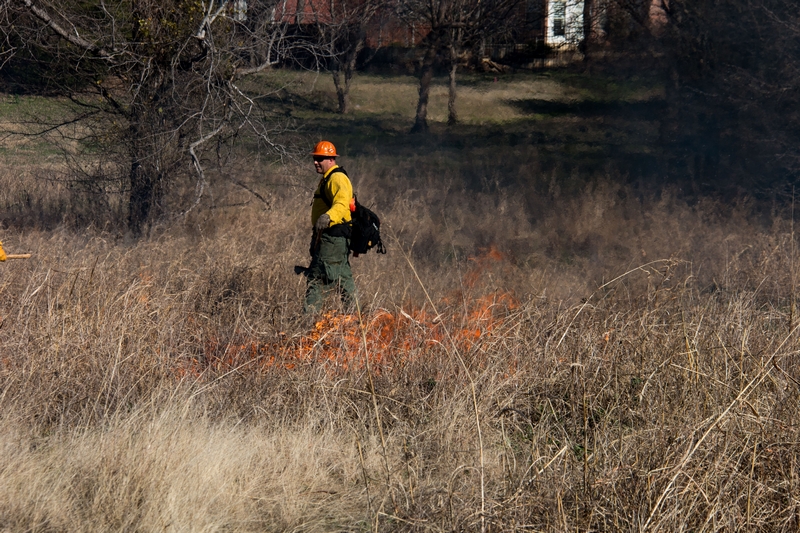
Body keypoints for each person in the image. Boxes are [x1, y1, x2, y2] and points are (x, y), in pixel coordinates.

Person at [304, 140, 356, 314]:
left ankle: (308, 322)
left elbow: (342, 203)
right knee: (343, 279)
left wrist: (328, 217)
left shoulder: (337, 178)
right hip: (333, 239)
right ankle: (356, 320)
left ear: (331, 159)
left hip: (332, 239)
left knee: (317, 279)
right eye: (315, 158)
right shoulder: (328, 178)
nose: (315, 162)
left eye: (320, 158)